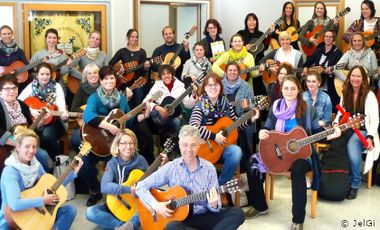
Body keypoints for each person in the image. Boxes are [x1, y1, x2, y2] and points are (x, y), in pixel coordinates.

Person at [245, 75, 337, 230]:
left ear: (298, 90)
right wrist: (263, 132)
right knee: (252, 162)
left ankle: (298, 220)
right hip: (279, 152)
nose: (289, 91)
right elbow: (267, 127)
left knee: (297, 170)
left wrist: (330, 133)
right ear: (281, 89)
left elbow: (315, 131)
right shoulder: (275, 106)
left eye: (293, 88)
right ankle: (260, 205)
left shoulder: (307, 108)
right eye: (286, 88)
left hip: (302, 155)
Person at [136, 125, 245, 230]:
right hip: (182, 220)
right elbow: (140, 186)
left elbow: (216, 208)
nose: (189, 149)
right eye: (185, 145)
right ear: (179, 145)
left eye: (193, 145)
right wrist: (156, 205)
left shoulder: (209, 168)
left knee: (237, 213)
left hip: (205, 216)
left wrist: (214, 204)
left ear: (198, 145)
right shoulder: (171, 167)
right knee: (172, 227)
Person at [0, 125, 83, 229]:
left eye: (34, 147)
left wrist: (74, 171)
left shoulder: (36, 165)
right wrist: (43, 200)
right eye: (27, 146)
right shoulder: (10, 171)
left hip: (35, 214)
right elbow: (15, 204)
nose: (31, 150)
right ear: (17, 147)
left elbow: (52, 186)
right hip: (13, 221)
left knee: (70, 210)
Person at [80, 65, 137, 206]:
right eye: (105, 79)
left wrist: (144, 115)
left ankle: (119, 191)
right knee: (83, 164)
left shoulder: (122, 98)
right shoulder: (94, 97)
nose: (109, 81)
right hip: (98, 141)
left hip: (116, 142)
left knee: (125, 161)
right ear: (100, 81)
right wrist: (109, 126)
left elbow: (129, 120)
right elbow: (88, 116)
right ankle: (95, 190)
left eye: (111, 78)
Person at [189, 73, 259, 186]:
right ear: (205, 88)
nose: (213, 87)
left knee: (236, 151)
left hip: (222, 148)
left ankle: (219, 185)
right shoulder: (200, 106)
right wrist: (214, 136)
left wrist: (250, 119)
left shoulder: (226, 104)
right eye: (210, 85)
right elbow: (193, 127)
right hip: (205, 149)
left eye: (216, 85)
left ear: (220, 87)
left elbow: (235, 124)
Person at [86, 129, 151, 230]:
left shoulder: (141, 160)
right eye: (124, 143)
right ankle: (125, 226)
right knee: (90, 212)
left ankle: (123, 225)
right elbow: (105, 186)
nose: (128, 147)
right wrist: (129, 190)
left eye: (131, 143)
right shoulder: (112, 163)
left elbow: (151, 181)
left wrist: (162, 166)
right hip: (115, 204)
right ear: (118, 146)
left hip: (135, 205)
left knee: (148, 205)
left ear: (135, 145)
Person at [333, 65, 379, 199]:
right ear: (349, 77)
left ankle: (354, 183)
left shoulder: (369, 95)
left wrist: (370, 137)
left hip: (365, 131)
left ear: (364, 79)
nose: (355, 78)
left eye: (359, 76)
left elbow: (375, 120)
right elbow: (339, 114)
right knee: (335, 145)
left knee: (352, 145)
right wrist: (336, 124)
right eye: (353, 75)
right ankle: (339, 179)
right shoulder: (345, 92)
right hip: (347, 128)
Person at [18, 63, 68, 161]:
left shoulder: (57, 87)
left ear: (51, 75)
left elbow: (61, 107)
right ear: (37, 75)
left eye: (47, 74)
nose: (45, 77)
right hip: (36, 122)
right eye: (42, 74)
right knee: (30, 135)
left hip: (54, 122)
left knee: (47, 135)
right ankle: (43, 162)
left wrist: (64, 115)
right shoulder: (31, 86)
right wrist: (31, 111)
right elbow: (19, 102)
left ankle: (60, 163)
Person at [144, 64, 197, 137]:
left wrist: (193, 94)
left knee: (177, 122)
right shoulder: (157, 86)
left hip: (174, 117)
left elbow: (188, 105)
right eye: (163, 74)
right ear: (161, 76)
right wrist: (159, 108)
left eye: (168, 73)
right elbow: (145, 101)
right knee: (154, 113)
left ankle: (176, 144)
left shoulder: (180, 86)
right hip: (161, 118)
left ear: (172, 74)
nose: (166, 76)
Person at [222, 62, 256, 166]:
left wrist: (247, 107)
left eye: (235, 70)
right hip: (222, 119)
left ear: (238, 72)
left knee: (248, 126)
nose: (232, 72)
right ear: (226, 72)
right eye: (230, 70)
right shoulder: (219, 85)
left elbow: (253, 105)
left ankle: (247, 160)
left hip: (240, 118)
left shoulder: (245, 86)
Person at [109, 29, 149, 108]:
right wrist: (118, 74)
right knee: (125, 104)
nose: (135, 39)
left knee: (137, 104)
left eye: (136, 37)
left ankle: (136, 118)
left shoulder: (142, 52)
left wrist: (145, 67)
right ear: (128, 38)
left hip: (138, 82)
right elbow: (110, 65)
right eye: (132, 37)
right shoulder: (122, 51)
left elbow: (144, 71)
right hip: (124, 82)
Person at [304, 30, 342, 110]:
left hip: (331, 85)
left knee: (330, 108)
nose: (328, 38)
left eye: (330, 37)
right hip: (317, 85)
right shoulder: (318, 51)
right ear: (324, 38)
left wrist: (329, 70)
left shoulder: (337, 53)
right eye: (326, 36)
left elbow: (339, 68)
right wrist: (305, 69)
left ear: (333, 39)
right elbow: (307, 63)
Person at [69, 63, 100, 153]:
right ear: (86, 76)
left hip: (103, 122)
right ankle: (84, 159)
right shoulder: (82, 89)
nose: (93, 75)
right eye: (89, 73)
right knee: (75, 139)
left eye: (95, 72)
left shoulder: (104, 87)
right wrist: (89, 112)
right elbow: (74, 109)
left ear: (99, 74)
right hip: (86, 123)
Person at [0, 25, 30, 92]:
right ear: (0, 36)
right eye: (4, 34)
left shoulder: (19, 51)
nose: (7, 36)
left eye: (9, 33)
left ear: (12, 34)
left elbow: (27, 67)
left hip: (16, 85)